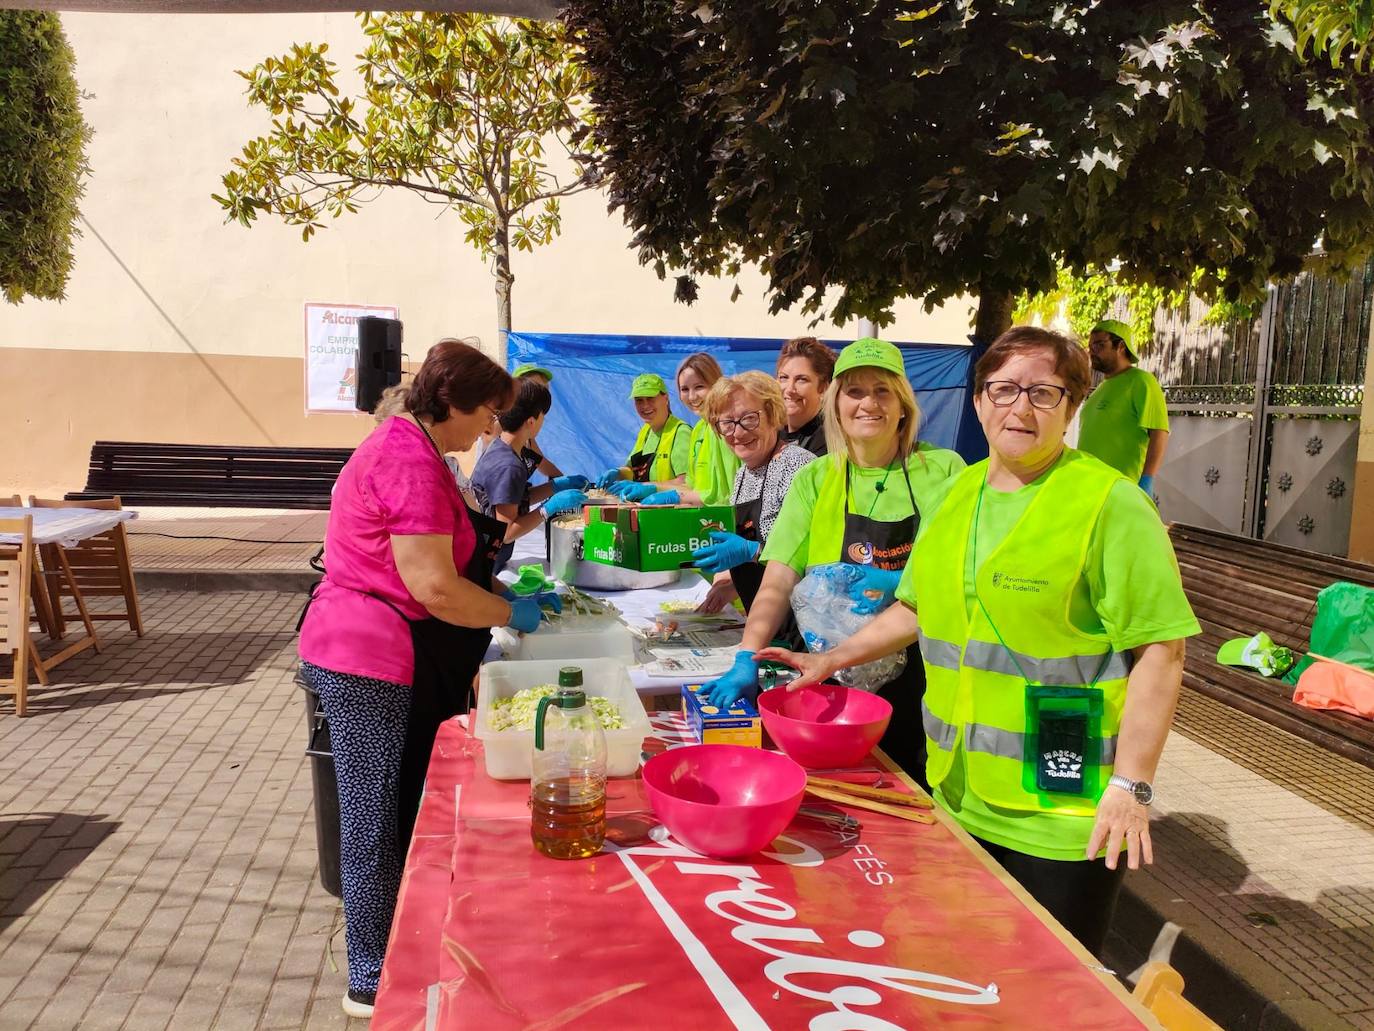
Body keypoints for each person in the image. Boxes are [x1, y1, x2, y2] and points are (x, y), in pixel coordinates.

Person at [759, 326, 1199, 957]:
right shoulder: (961, 493)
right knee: (966, 971)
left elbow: (1162, 649)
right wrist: (826, 660)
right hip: (957, 792)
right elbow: (914, 608)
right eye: (1004, 389)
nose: (1020, 408)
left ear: (1071, 407)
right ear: (979, 398)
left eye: (1043, 393)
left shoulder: (1110, 504)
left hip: (1060, 808)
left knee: (1050, 989)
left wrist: (1132, 787)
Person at [296, 340, 550, 1018]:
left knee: (396, 807)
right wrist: (509, 612)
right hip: (369, 657)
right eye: (483, 416)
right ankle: (368, 976)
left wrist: (499, 591)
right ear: (451, 402)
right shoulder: (405, 457)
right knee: (375, 816)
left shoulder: (419, 450)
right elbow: (434, 586)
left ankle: (395, 943)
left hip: (389, 650)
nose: (486, 432)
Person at [701, 338, 966, 778]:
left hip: (918, 677)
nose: (868, 404)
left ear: (903, 404)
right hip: (824, 678)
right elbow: (779, 577)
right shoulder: (817, 477)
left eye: (883, 391)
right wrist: (747, 655)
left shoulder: (944, 471)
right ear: (836, 404)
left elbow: (934, 589)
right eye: (855, 391)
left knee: (904, 785)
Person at [690, 371, 815, 630]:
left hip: (800, 627)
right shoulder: (743, 473)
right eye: (727, 423)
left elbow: (812, 556)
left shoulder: (798, 467)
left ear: (773, 416)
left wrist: (751, 552)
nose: (738, 432)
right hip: (765, 623)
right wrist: (732, 584)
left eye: (749, 418)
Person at [470, 378, 589, 572]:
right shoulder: (509, 466)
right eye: (543, 416)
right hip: (489, 562)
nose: (544, 421)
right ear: (531, 421)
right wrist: (549, 508)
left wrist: (555, 486)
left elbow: (511, 499)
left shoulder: (499, 448)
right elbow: (506, 532)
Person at [609, 353, 741, 507]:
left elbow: (727, 493)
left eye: (699, 387)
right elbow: (691, 486)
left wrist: (672, 496)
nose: (692, 397)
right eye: (684, 389)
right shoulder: (699, 429)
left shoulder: (724, 428)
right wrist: (647, 486)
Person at [1077, 319, 1169, 495]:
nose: (1092, 352)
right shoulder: (1099, 390)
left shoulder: (1141, 381)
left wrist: (1147, 479)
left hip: (1122, 491)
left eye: (1099, 345)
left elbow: (1159, 432)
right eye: (1090, 346)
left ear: (1120, 346)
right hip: (1090, 489)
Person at [596, 373, 691, 487]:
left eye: (650, 398)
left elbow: (686, 482)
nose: (645, 406)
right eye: (639, 400)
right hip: (644, 504)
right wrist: (618, 473)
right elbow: (634, 470)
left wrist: (648, 487)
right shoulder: (646, 431)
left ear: (665, 398)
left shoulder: (681, 433)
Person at [776, 336, 837, 456]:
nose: (789, 389)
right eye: (784, 378)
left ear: (824, 387)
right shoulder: (770, 433)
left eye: (802, 380)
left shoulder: (830, 441)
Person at [511, 362, 567, 480]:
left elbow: (541, 463)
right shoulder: (502, 428)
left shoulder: (528, 433)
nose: (543, 396)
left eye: (545, 390)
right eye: (537, 389)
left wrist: (565, 482)